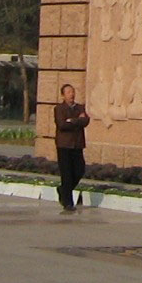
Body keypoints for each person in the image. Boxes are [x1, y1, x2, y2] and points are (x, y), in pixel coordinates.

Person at [54, 83, 91, 214]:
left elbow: (86, 121)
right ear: (63, 95)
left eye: (73, 92)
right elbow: (62, 125)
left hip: (77, 144)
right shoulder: (59, 109)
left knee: (80, 170)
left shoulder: (80, 107)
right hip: (64, 145)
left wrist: (72, 121)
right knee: (67, 174)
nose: (72, 94)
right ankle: (68, 203)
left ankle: (63, 190)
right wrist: (77, 121)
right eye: (69, 92)